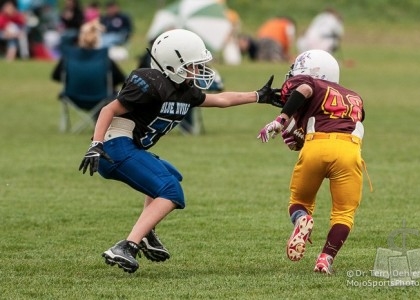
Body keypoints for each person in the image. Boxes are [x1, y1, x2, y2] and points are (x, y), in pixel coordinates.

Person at [78, 29, 280, 273]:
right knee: (171, 191)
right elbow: (108, 110)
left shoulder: (185, 90)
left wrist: (258, 96)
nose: (199, 70)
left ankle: (145, 233)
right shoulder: (150, 82)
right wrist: (95, 144)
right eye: (194, 65)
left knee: (171, 176)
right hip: (114, 147)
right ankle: (126, 246)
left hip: (128, 147)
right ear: (174, 65)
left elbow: (220, 100)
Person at [257, 49, 366, 274]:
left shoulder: (311, 84)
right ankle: (325, 258)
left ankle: (302, 219)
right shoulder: (354, 96)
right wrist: (299, 130)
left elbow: (305, 90)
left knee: (299, 201)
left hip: (317, 146)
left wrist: (281, 119)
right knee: (344, 212)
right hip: (349, 150)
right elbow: (343, 119)